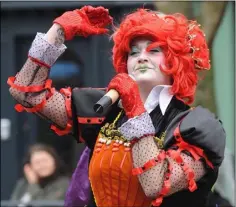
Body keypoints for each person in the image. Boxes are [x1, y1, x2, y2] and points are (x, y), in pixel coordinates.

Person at [7, 5, 226, 207]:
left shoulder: (198, 127)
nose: (141, 57)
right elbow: (26, 92)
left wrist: (136, 109)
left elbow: (155, 184)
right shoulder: (105, 109)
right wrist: (57, 31)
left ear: (175, 60)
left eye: (153, 50)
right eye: (134, 52)